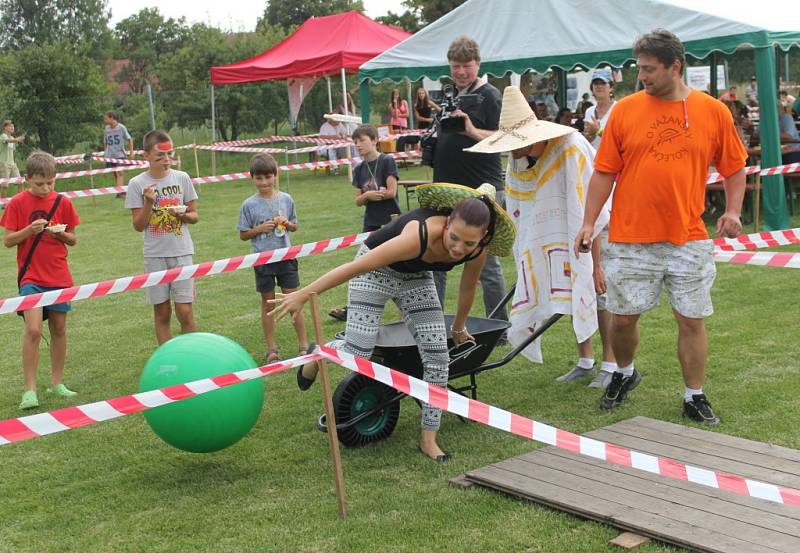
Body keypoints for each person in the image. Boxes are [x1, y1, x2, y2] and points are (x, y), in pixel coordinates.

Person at [271, 182, 515, 462]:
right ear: (447, 224)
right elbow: (356, 268)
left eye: (469, 243)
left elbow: (468, 288)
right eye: (455, 237)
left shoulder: (477, 251)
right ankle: (320, 353)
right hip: (375, 272)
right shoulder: (417, 235)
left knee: (438, 357)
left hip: (417, 280)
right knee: (358, 354)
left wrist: (458, 327)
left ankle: (428, 438)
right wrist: (303, 294)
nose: (458, 249)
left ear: (482, 238)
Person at [574, 29, 747, 424]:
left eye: (650, 69)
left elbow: (734, 167)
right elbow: (604, 172)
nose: (642, 76)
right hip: (630, 236)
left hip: (688, 236)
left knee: (691, 319)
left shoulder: (713, 111)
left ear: (675, 66)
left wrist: (733, 211)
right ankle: (624, 372)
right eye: (639, 68)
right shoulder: (625, 111)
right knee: (621, 319)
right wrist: (588, 222)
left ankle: (694, 395)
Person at [467, 86, 614, 387]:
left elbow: (592, 209)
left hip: (596, 229)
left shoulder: (571, 148)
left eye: (512, 143)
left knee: (598, 294)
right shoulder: (518, 159)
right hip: (555, 237)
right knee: (570, 288)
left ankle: (611, 365)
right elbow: (521, 208)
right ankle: (585, 361)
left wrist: (596, 264)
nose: (508, 151)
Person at [431, 35, 508, 327]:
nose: (460, 72)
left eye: (465, 66)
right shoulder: (449, 95)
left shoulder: (490, 95)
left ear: (477, 63)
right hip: (446, 187)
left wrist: (472, 129)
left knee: (486, 263)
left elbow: (505, 138)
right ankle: (434, 322)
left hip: (483, 186)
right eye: (455, 66)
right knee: (437, 256)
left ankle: (498, 325)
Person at [1, 151, 80, 410]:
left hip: (59, 275)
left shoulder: (63, 202)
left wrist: (60, 235)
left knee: (59, 329)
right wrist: (29, 230)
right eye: (39, 184)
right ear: (27, 180)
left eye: (50, 182)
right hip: (31, 277)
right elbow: (9, 240)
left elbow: (73, 238)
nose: (45, 188)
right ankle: (29, 391)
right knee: (33, 330)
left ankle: (57, 383)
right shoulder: (17, 203)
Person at [125, 130, 199, 345]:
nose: (167, 160)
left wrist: (184, 215)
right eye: (160, 156)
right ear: (146, 155)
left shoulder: (182, 178)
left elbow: (195, 216)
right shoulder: (137, 184)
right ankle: (167, 360)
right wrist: (149, 203)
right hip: (155, 255)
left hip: (182, 252)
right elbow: (138, 225)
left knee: (185, 312)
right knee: (162, 312)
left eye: (170, 155)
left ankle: (192, 355)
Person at [238, 153, 307, 363]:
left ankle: (304, 345)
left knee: (292, 301)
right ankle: (271, 349)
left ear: (275, 175)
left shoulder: (286, 199)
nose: (264, 182)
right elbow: (243, 234)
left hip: (286, 257)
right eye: (259, 178)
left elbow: (295, 226)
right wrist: (258, 229)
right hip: (262, 261)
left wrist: (286, 223)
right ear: (252, 178)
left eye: (268, 177)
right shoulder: (248, 205)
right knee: (268, 304)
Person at [329, 124, 401, 322]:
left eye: (362, 140)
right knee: (362, 266)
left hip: (391, 220)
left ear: (374, 140)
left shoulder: (387, 160)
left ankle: (404, 308)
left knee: (395, 266)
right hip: (370, 223)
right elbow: (358, 200)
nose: (358, 145)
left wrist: (373, 195)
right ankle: (352, 308)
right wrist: (368, 195)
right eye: (355, 142)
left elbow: (391, 192)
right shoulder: (359, 168)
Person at [583, 68, 617, 150]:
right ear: (592, 88)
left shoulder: (619, 108)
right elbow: (587, 141)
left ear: (611, 87)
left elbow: (620, 140)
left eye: (603, 83)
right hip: (593, 160)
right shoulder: (589, 111)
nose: (599, 86)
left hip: (612, 160)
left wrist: (598, 131)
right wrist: (588, 135)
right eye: (596, 83)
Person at [103, 111, 134, 189]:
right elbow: (105, 142)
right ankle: (121, 189)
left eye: (106, 119)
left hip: (120, 154)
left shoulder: (121, 127)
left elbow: (129, 139)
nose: (105, 121)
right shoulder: (106, 129)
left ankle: (119, 192)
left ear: (112, 118)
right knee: (115, 173)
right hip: (110, 155)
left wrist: (131, 152)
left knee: (119, 172)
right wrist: (105, 153)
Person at [318, 111, 350, 175]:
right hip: (325, 148)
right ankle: (335, 168)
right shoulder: (324, 126)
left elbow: (345, 133)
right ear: (331, 120)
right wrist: (333, 137)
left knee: (351, 147)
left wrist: (343, 136)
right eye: (336, 119)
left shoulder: (340, 125)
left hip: (339, 146)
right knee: (331, 149)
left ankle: (355, 165)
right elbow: (321, 137)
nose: (338, 121)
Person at [0, 120, 24, 200]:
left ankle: (20, 201)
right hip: (4, 164)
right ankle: (3, 204)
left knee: (20, 182)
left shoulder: (13, 138)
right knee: (5, 185)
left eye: (13, 126)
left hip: (13, 163)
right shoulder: (3, 136)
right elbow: (8, 141)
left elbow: (12, 143)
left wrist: (16, 140)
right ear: (5, 127)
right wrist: (17, 139)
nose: (12, 128)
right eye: (10, 126)